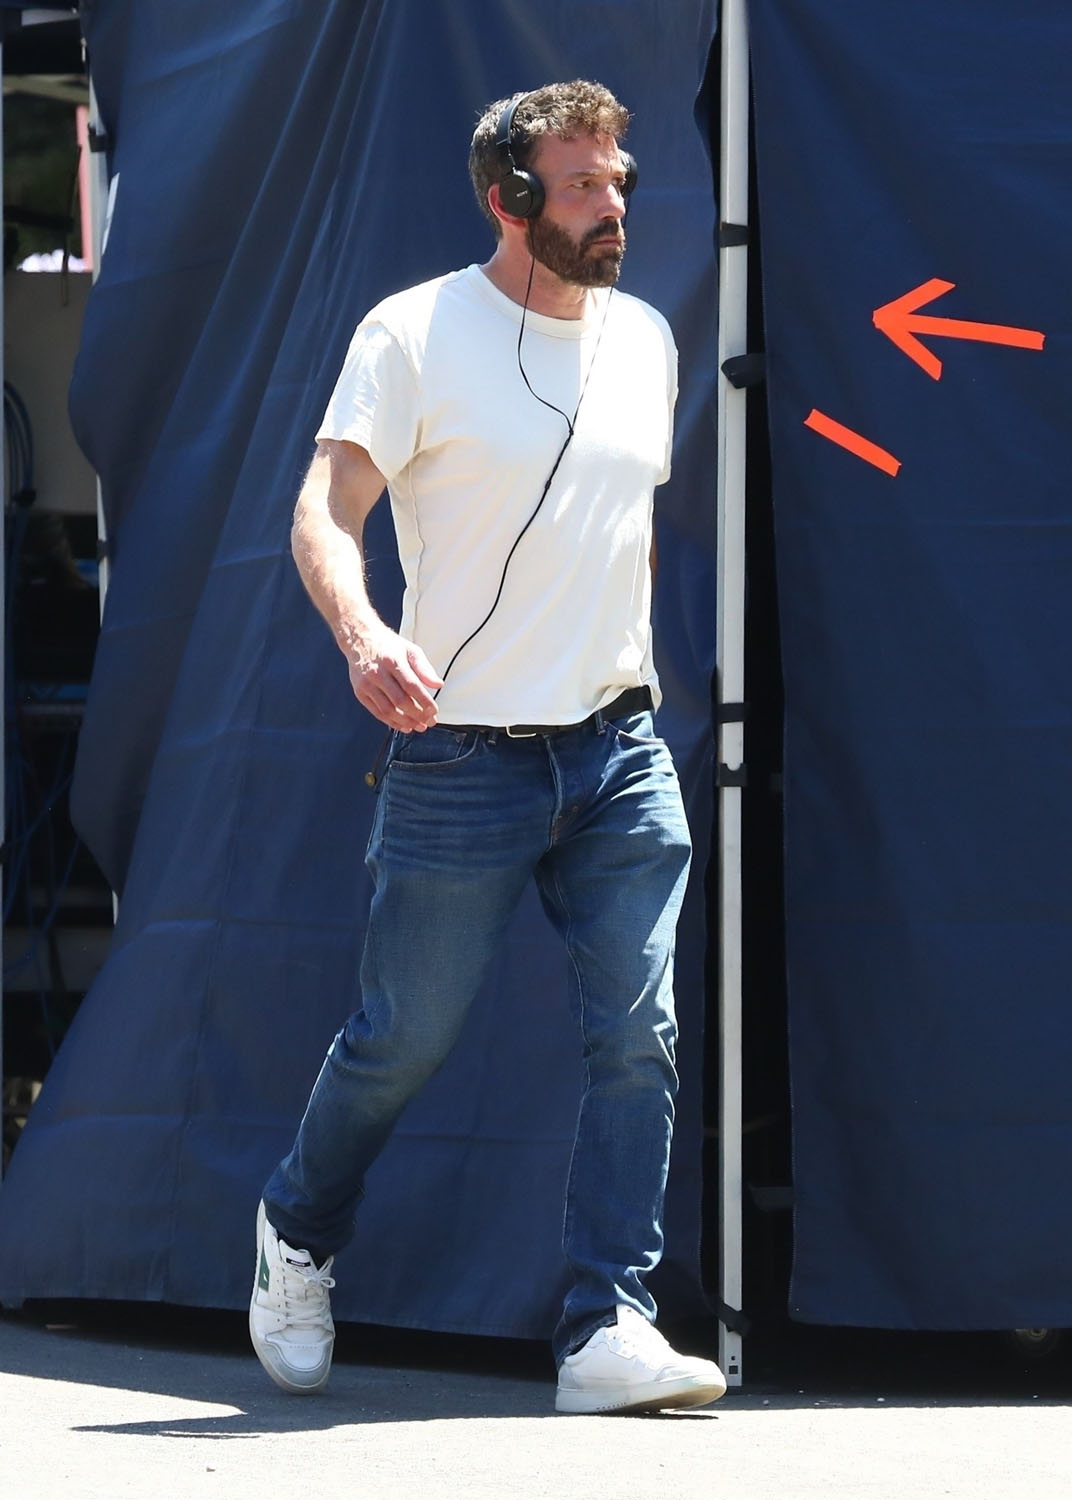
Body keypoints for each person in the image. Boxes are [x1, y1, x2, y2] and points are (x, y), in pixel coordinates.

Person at [249, 79, 726, 1416]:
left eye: (619, 179)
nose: (613, 204)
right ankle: (296, 1230)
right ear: (510, 200)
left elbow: (620, 530)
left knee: (639, 1035)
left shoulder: (645, 339)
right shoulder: (412, 333)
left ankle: (607, 1325)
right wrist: (365, 637)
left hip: (620, 751)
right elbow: (323, 510)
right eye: (582, 185)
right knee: (403, 1038)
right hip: (463, 758)